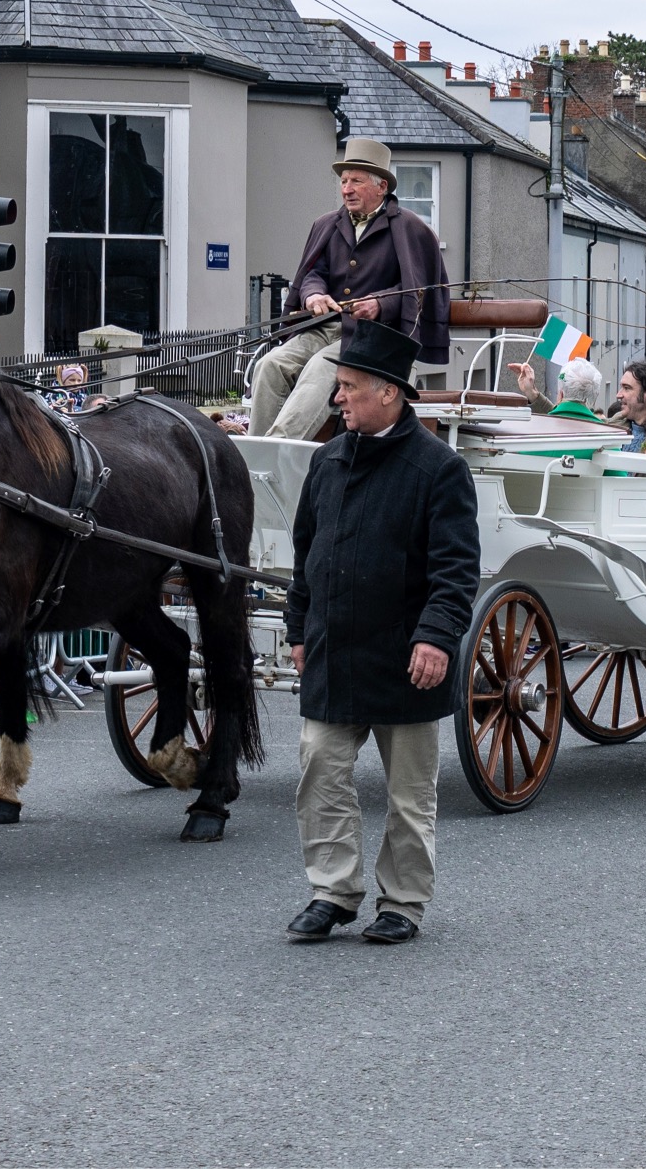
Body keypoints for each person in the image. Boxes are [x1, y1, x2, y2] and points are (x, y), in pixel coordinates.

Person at [284, 319, 481, 944]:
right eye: (338, 385)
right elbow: (306, 555)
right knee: (320, 768)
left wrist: (436, 637)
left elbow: (456, 569)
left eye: (348, 386)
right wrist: (297, 628)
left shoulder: (439, 469)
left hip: (406, 656)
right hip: (333, 648)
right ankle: (333, 891)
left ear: (389, 391)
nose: (337, 397)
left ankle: (404, 901)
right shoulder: (327, 462)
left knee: (409, 794)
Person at [251, 137, 449, 440]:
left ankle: (279, 449)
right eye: (344, 181)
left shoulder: (411, 228)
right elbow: (314, 272)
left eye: (356, 181)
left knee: (321, 369)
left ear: (382, 187)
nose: (347, 189)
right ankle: (254, 454)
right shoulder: (327, 224)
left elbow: (419, 291)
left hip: (377, 336)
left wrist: (380, 304)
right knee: (269, 364)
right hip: (325, 326)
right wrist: (313, 294)